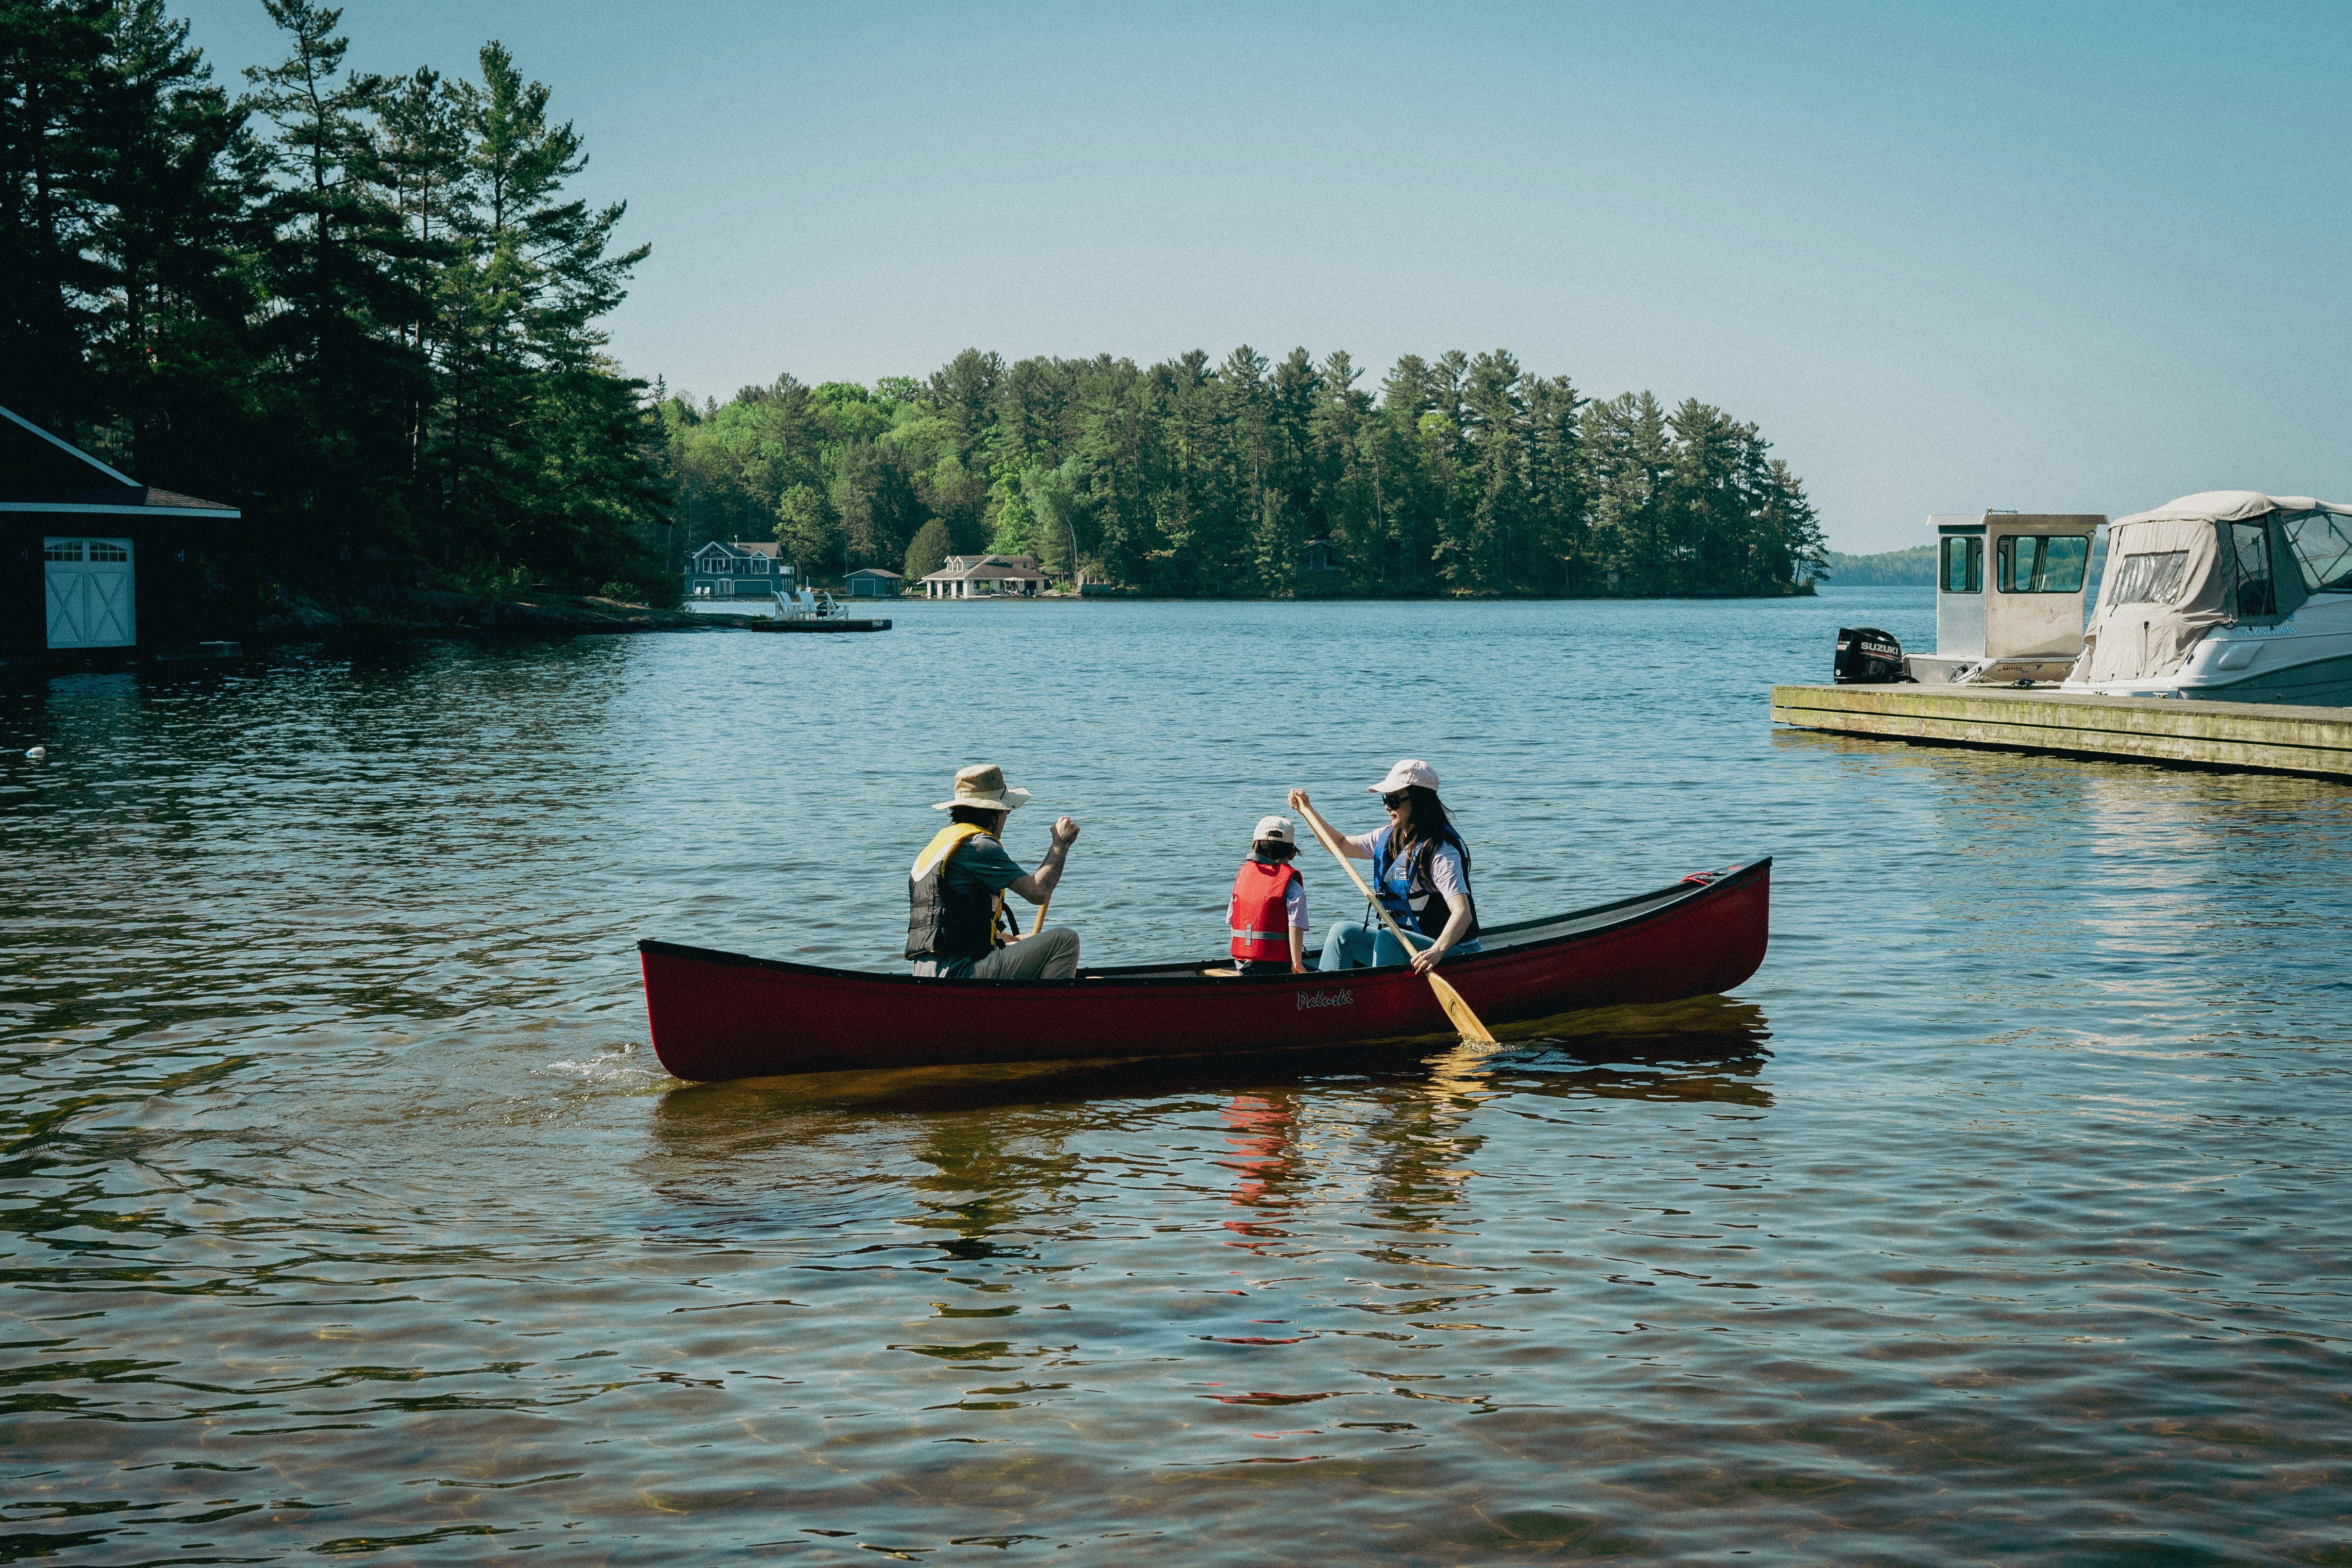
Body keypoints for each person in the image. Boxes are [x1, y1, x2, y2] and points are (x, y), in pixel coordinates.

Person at [1287, 759, 1480, 976]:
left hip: (1454, 955)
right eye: (1386, 799)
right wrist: (1307, 812)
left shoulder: (1441, 852)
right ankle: (1324, 998)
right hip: (1411, 951)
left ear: (1419, 801)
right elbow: (1339, 845)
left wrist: (1436, 951)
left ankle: (1376, 997)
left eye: (1395, 800)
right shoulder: (1387, 837)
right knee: (1342, 933)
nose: (1388, 806)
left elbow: (1463, 914)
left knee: (1389, 937)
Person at [906, 763, 1082, 979]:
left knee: (1025, 941)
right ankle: (1048, 1011)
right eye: (1006, 809)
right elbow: (1038, 893)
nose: (1007, 815)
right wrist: (1060, 844)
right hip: (960, 974)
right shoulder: (979, 845)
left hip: (926, 975)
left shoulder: (940, 845)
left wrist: (1016, 941)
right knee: (1065, 940)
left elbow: (958, 929)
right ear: (994, 812)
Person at [1226, 815, 1309, 976]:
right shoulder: (1292, 887)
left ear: (1255, 847)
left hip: (1243, 965)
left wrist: (1241, 962)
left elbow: (1233, 922)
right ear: (1292, 853)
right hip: (1276, 968)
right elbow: (1295, 926)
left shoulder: (1243, 877)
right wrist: (1297, 964)